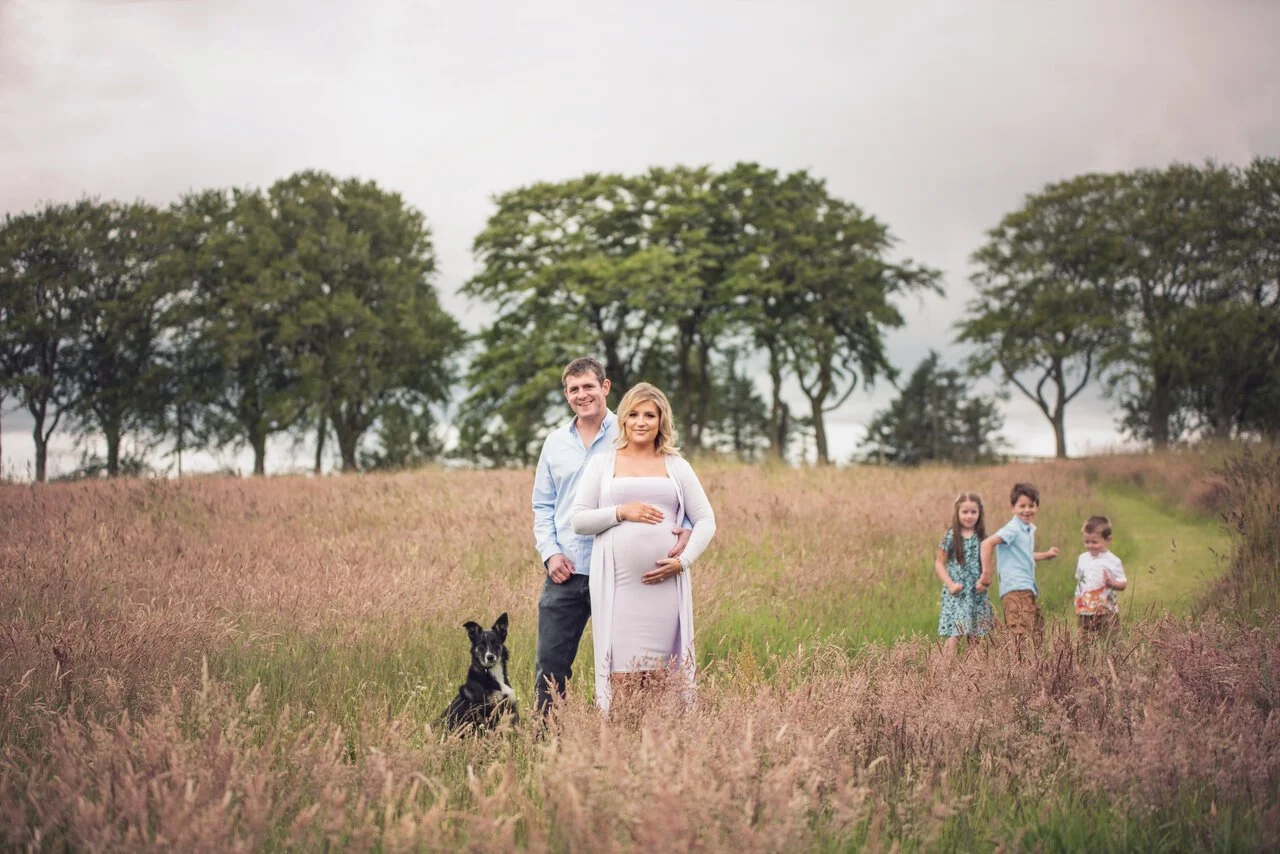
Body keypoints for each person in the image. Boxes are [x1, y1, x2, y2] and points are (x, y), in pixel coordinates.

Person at [531, 358, 690, 715]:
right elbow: (542, 505)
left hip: (622, 576)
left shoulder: (633, 427)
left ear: (605, 387)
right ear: (566, 395)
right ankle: (547, 742)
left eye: (589, 386)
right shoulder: (555, 443)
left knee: (628, 665)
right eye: (573, 389)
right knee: (550, 665)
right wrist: (550, 553)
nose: (581, 395)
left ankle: (625, 734)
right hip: (568, 571)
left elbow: (673, 485)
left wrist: (687, 527)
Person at [571, 382, 716, 714]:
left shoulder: (676, 465)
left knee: (660, 680)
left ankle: (658, 753)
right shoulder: (603, 464)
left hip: (663, 589)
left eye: (649, 415)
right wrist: (622, 512)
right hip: (619, 590)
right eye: (633, 414)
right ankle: (621, 752)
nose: (641, 422)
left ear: (661, 420)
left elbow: (706, 519)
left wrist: (685, 561)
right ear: (622, 419)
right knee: (621, 678)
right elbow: (579, 520)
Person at [978, 482, 1059, 644]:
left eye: (1031, 505)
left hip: (1027, 587)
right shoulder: (1013, 529)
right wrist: (986, 574)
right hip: (1015, 588)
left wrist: (1046, 555)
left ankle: (1035, 667)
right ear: (1012, 508)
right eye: (1022, 506)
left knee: (1037, 630)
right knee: (1019, 633)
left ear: (1037, 507)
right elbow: (987, 543)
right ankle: (1017, 667)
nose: (1027, 510)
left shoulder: (1026, 529)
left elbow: (1024, 555)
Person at [934, 492, 995, 653]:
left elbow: (988, 563)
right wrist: (950, 584)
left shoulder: (983, 536)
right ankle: (944, 669)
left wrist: (985, 580)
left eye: (973, 512)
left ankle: (971, 673)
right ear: (957, 513)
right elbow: (939, 563)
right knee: (957, 631)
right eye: (965, 512)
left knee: (975, 634)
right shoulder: (952, 536)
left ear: (979, 513)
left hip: (977, 591)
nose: (969, 516)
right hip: (958, 592)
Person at [1074, 515, 1127, 636]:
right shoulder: (1082, 558)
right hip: (1085, 611)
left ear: (1108, 540)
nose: (1090, 545)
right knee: (1084, 643)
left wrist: (1111, 583)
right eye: (1086, 542)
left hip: (1106, 611)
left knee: (1109, 641)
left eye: (1094, 542)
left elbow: (1123, 584)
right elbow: (1080, 582)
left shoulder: (1113, 561)